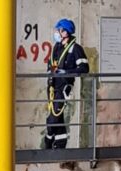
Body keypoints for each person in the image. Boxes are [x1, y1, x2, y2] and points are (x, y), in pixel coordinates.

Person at [43, 18, 90, 149]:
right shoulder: (56, 47)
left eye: (59, 30)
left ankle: (47, 143)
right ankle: (60, 145)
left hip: (63, 88)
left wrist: (66, 72)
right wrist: (50, 72)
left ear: (65, 32)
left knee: (53, 119)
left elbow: (84, 68)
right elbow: (51, 64)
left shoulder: (76, 49)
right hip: (52, 86)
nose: (56, 33)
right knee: (58, 117)